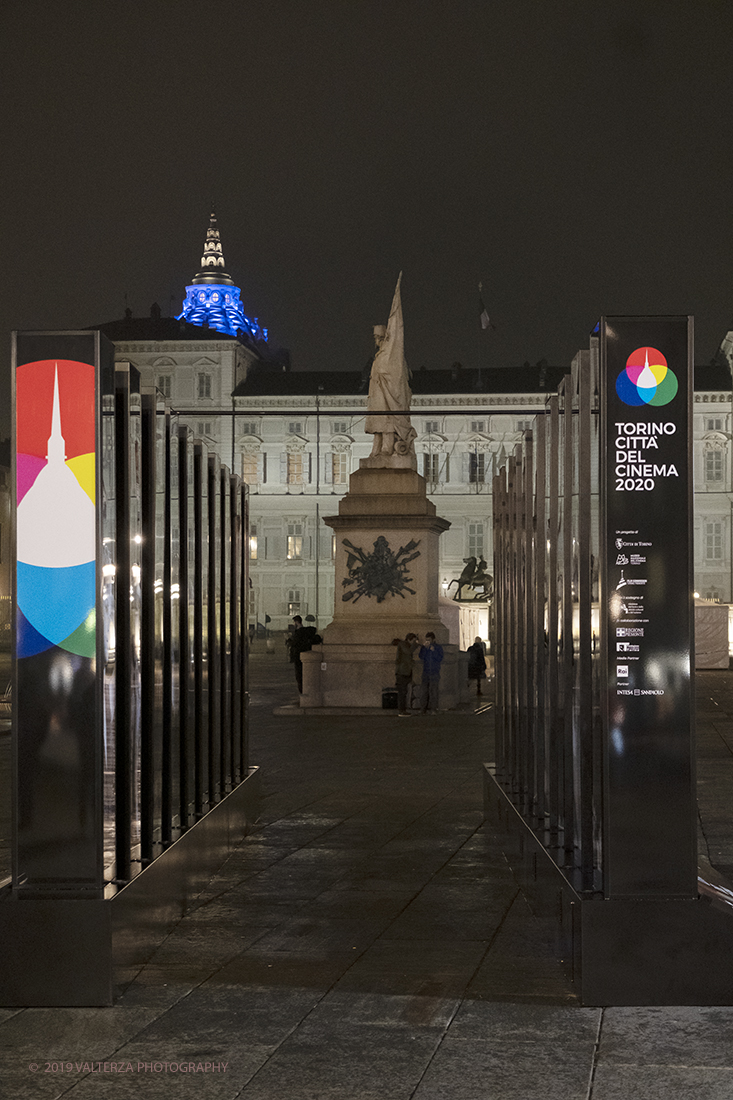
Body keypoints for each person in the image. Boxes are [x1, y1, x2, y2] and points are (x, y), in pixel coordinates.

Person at [364, 274, 417, 462]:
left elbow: (396, 375)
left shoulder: (392, 354)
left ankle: (387, 448)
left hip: (388, 396)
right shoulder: (379, 356)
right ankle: (376, 448)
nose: (376, 341)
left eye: (379, 338)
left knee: (386, 422)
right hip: (378, 395)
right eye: (375, 338)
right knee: (378, 423)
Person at [285, 615, 321, 694]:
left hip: (298, 656)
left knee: (299, 675)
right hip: (306, 654)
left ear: (296, 622)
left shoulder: (298, 633)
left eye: (294, 623)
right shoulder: (306, 631)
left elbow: (295, 643)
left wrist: (288, 639)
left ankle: (302, 691)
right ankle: (306, 690)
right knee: (305, 674)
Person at [392, 633, 419, 716]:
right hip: (402, 672)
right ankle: (401, 710)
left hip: (405, 672)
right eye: (413, 641)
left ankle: (403, 710)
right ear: (408, 639)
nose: (414, 642)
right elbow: (408, 652)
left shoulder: (404, 645)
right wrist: (416, 645)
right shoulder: (403, 644)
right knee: (402, 692)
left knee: (404, 692)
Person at [418, 632, 444, 714]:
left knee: (433, 691)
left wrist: (433, 651)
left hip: (434, 671)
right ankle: (423, 708)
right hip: (426, 671)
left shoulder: (438, 647)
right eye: (426, 640)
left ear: (433, 640)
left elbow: (440, 658)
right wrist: (425, 649)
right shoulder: (424, 647)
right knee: (423, 691)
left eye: (429, 640)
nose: (427, 641)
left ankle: (433, 709)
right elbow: (421, 656)